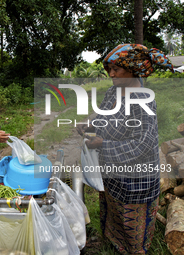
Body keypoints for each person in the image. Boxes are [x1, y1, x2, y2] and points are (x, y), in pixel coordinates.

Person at [77, 44, 174, 254]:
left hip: (136, 176)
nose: (111, 74)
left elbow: (143, 144)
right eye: (109, 69)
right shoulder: (114, 92)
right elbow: (103, 116)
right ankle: (114, 243)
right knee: (114, 208)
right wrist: (91, 126)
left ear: (133, 69)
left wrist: (104, 144)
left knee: (131, 217)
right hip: (113, 170)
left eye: (116, 69)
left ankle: (133, 249)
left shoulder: (143, 100)